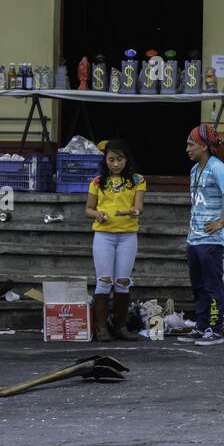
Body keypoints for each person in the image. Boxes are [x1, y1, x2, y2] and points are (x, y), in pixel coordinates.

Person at [180, 124, 224, 347]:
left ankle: (214, 329)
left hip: (211, 240)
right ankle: (201, 326)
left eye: (191, 144)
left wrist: (221, 221)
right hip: (194, 239)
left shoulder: (217, 167)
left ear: (203, 146)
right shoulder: (195, 170)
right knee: (198, 285)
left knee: (212, 285)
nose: (187, 149)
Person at [84, 139, 146, 342]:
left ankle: (120, 326)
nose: (116, 164)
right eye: (111, 159)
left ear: (127, 159)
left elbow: (139, 206)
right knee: (103, 281)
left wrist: (134, 210)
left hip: (128, 236)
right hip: (103, 236)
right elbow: (88, 209)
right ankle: (101, 328)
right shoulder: (97, 181)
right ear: (105, 160)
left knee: (122, 281)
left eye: (120, 159)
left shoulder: (138, 180)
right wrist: (97, 215)